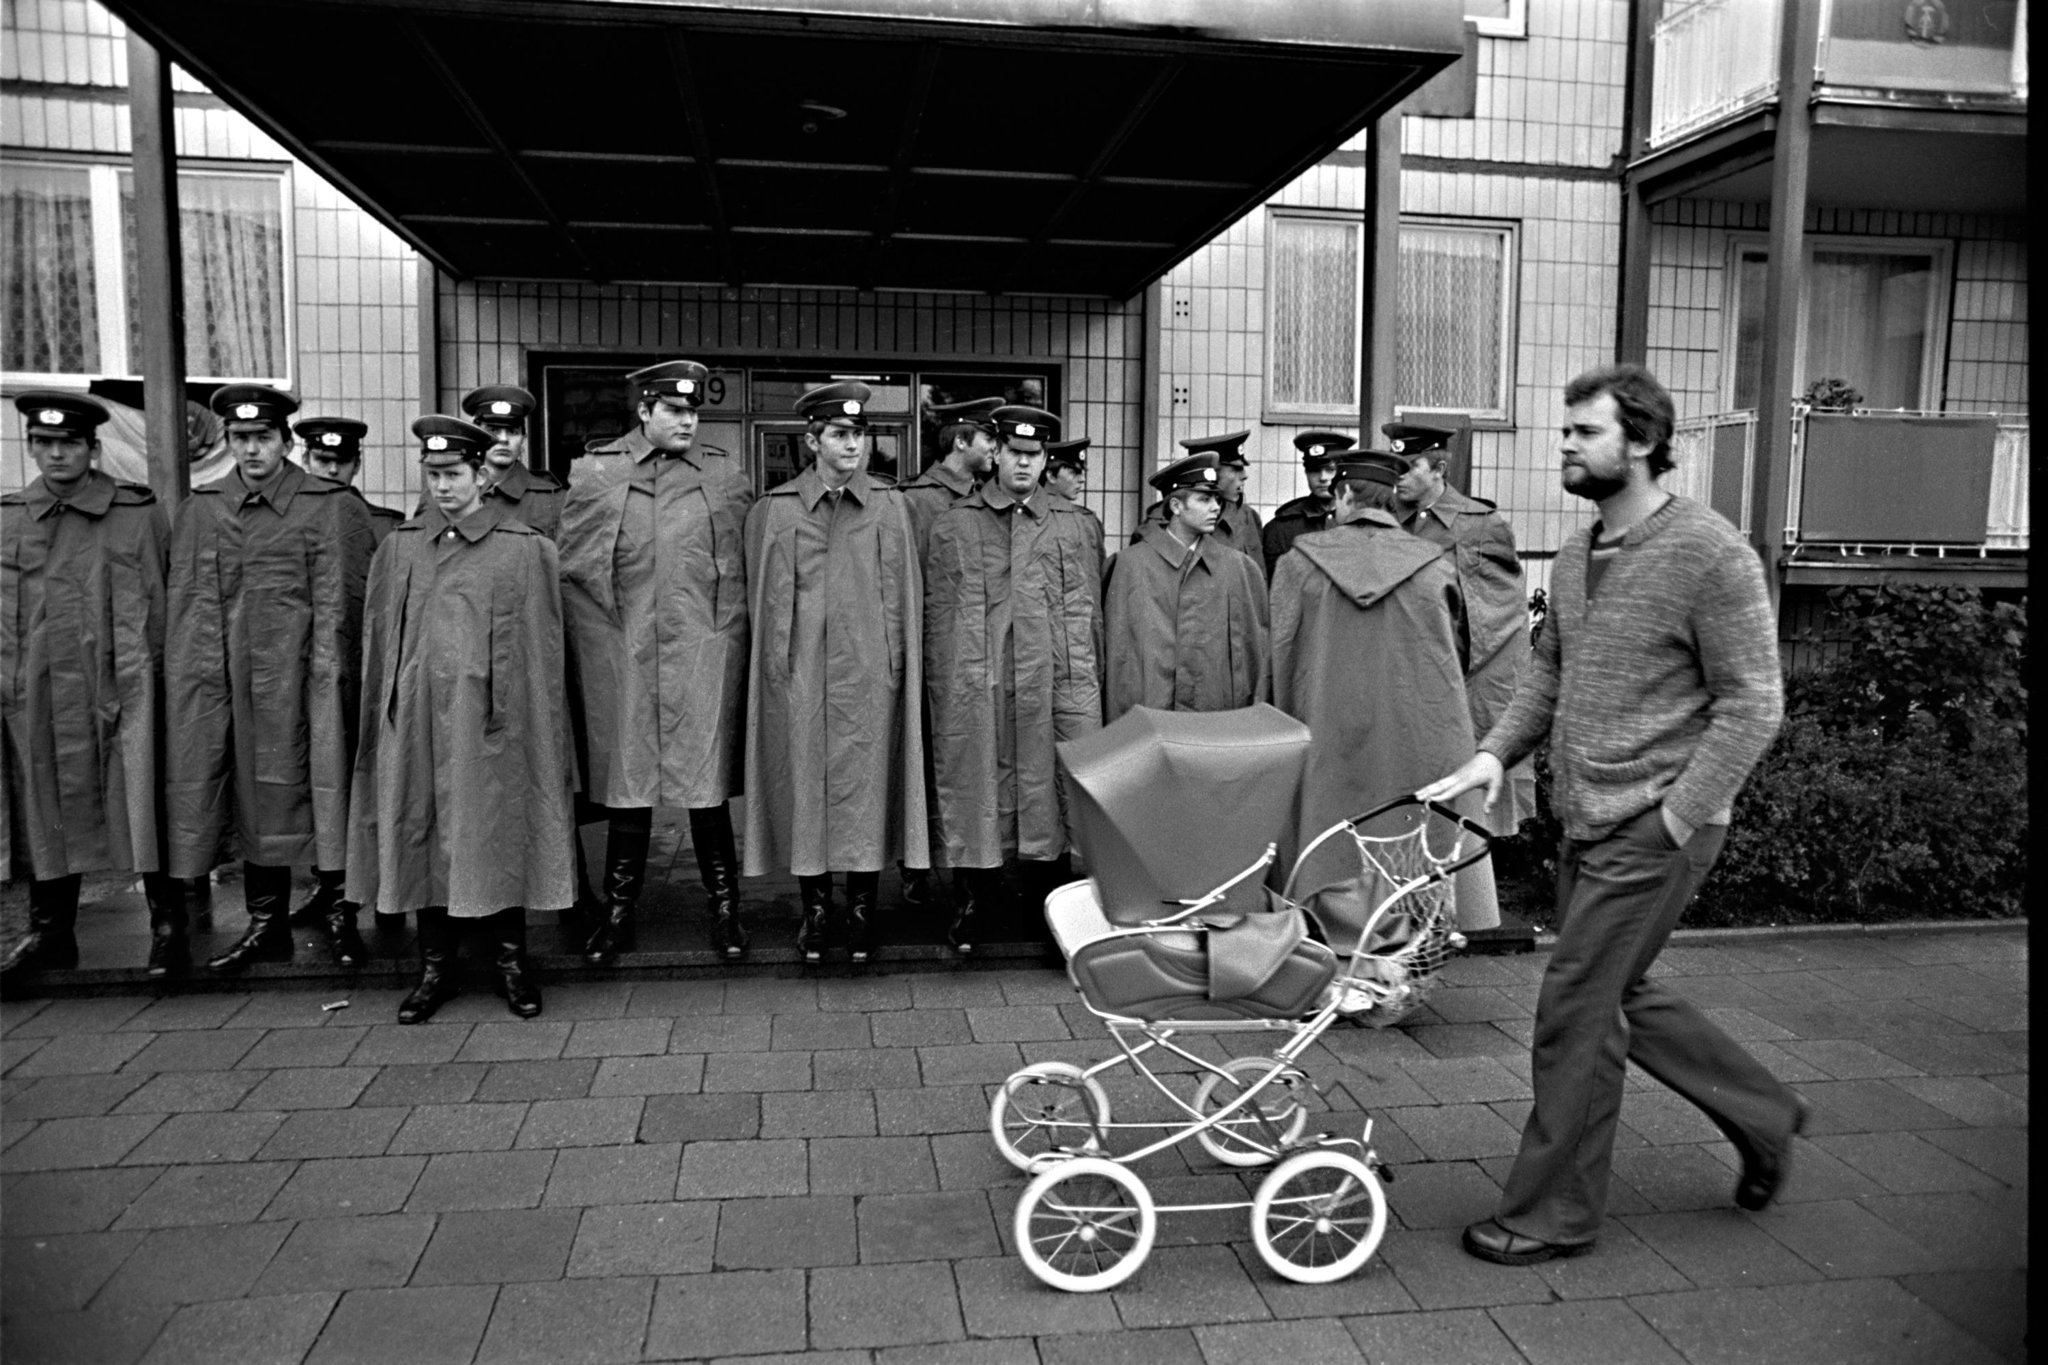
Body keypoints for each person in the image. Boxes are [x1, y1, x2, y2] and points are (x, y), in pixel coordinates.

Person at [1418, 363, 1795, 1266]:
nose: (1565, 445)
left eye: (1584, 432)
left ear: (1644, 441)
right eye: (1565, 431)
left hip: (1656, 822)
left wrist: (1678, 818)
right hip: (1587, 817)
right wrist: (1487, 755)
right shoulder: (1585, 553)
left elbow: (1755, 703)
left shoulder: (1710, 553)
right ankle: (1765, 1112)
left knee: (1576, 1007)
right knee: (1616, 990)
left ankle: (1553, 1213)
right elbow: (1548, 667)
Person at [348, 416, 574, 1023]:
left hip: (493, 727)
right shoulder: (400, 548)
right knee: (420, 830)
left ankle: (511, 963)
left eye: (454, 475)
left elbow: (544, 661)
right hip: (417, 723)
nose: (443, 487)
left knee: (497, 830)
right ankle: (435, 969)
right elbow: (382, 653)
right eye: (433, 475)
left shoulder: (526, 550)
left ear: (480, 475)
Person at [165, 384, 376, 972]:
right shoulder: (204, 510)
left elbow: (351, 608)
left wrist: (334, 682)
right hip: (236, 689)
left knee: (330, 786)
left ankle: (339, 915)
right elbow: (189, 612)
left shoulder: (331, 506)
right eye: (240, 438)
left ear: (286, 441)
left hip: (315, 684)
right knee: (253, 795)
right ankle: (266, 924)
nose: (252, 450)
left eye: (263, 438)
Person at [558, 360, 753, 962]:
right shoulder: (595, 474)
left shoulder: (723, 476)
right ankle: (618, 915)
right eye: (674, 409)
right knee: (628, 786)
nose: (688, 420)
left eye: (694, 411)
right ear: (643, 411)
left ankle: (726, 912)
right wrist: (604, 653)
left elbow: (745, 572)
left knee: (706, 786)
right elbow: (574, 575)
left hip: (701, 651)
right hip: (628, 654)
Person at [1269, 449, 1497, 933]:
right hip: (1414, 739)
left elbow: (1280, 658)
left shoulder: (1297, 565)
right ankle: (1408, 945)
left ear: (1346, 494)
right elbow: (1456, 653)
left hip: (1325, 736)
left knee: (1326, 842)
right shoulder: (1434, 566)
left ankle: (1329, 943)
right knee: (1409, 841)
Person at [741, 382, 929, 964]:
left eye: (860, 434)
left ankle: (863, 913)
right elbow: (761, 602)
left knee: (869, 788)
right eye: (840, 435)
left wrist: (896, 667)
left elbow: (908, 597)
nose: (854, 445)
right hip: (801, 678)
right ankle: (817, 913)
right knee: (805, 789)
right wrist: (780, 669)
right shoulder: (776, 511)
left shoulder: (892, 507)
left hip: (873, 677)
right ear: (812, 440)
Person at [1, 393, 185, 982]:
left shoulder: (134, 513)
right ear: (31, 447)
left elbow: (163, 601)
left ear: (93, 449)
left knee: (143, 796)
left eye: (69, 444)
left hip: (124, 687)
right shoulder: (9, 517)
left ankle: (168, 926)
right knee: (45, 805)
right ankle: (50, 932)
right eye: (45, 444)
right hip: (41, 694)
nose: (56, 455)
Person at [924, 404, 1103, 954]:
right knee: (980, 780)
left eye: (1035, 455)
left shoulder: (1077, 526)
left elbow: (1092, 615)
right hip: (983, 681)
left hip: (1057, 681)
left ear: (1046, 460)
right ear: (995, 453)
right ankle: (975, 900)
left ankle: (1053, 907)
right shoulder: (956, 523)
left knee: (1054, 786)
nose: (1024, 464)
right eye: (1015, 453)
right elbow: (939, 616)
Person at [1388, 422, 1537, 835]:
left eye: (1410, 464)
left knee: (1463, 815)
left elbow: (1500, 623)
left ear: (1438, 469)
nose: (1398, 474)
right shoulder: (1389, 523)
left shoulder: (1479, 525)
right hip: (1402, 686)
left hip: (1457, 685)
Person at [1102, 450, 1269, 723]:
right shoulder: (1128, 567)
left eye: (1216, 498)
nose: (1216, 506)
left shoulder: (1239, 569)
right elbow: (1116, 661)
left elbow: (1255, 658)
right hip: (1148, 726)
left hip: (1216, 728)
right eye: (1204, 499)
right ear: (1176, 507)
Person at [1136, 431, 1262, 567]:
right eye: (1236, 469)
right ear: (1212, 471)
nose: (1244, 475)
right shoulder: (1157, 526)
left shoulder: (1247, 517)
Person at [901, 396, 999, 557]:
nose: (995, 447)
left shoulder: (987, 494)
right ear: (960, 442)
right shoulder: (919, 499)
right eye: (989, 439)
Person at [463, 384, 565, 539]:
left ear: (523, 438)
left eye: (512, 431)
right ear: (476, 436)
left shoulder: (553, 499)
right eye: (493, 430)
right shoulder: (451, 492)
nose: (503, 439)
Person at [296, 416, 404, 543]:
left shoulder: (387, 527)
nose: (333, 470)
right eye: (323, 460)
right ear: (305, 461)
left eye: (343, 461)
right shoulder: (288, 520)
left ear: (357, 465)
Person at [1261, 430, 1354, 576]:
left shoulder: (1357, 519)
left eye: (1330, 470)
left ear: (1343, 472)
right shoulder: (1281, 528)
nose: (1323, 477)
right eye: (1314, 470)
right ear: (1306, 473)